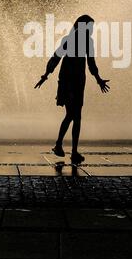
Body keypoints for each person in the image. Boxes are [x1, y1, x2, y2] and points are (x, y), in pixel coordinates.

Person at [34, 15, 110, 164]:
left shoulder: (87, 41)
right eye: (90, 27)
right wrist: (45, 75)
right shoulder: (70, 40)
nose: (92, 30)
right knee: (72, 115)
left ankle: (66, 148)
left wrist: (99, 79)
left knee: (75, 116)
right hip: (68, 83)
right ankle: (66, 148)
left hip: (78, 83)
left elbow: (91, 63)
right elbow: (56, 58)